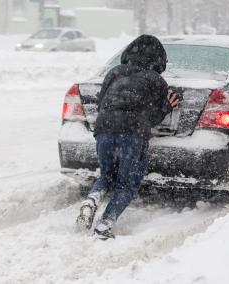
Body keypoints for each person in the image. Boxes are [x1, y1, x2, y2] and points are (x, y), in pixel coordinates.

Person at [76, 34, 179, 240]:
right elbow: (153, 117)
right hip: (132, 134)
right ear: (159, 59)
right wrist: (168, 105)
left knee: (106, 176)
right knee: (127, 184)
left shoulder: (114, 73)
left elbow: (101, 103)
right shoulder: (157, 81)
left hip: (104, 129)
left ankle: (92, 200)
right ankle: (104, 226)